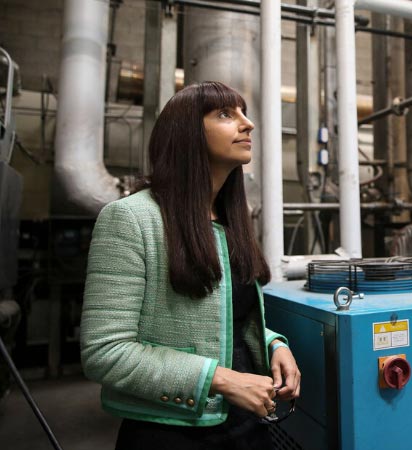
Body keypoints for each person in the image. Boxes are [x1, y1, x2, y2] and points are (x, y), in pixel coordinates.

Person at [80, 81, 300, 450]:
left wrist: (273, 344)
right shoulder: (130, 219)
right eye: (226, 114)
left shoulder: (231, 221)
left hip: (248, 421)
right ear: (186, 134)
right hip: (173, 432)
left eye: (244, 113)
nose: (248, 125)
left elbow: (226, 320)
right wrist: (223, 380)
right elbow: (105, 352)